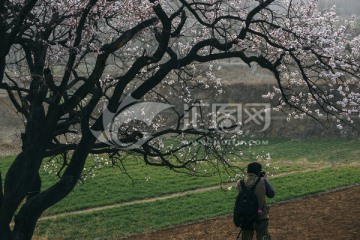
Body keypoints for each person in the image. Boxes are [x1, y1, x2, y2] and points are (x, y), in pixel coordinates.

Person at [236, 162, 275, 240]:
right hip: (261, 214)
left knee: (246, 237)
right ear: (259, 171)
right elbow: (271, 194)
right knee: (263, 236)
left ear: (247, 171)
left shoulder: (240, 183)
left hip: (246, 216)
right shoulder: (263, 181)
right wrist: (264, 179)